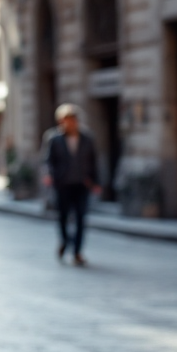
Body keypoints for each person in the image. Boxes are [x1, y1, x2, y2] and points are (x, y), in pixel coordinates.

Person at [44, 104, 101, 266]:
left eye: (70, 120)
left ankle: (77, 251)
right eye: (64, 120)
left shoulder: (87, 138)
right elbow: (48, 161)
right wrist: (49, 175)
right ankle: (65, 241)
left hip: (82, 184)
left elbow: (93, 161)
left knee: (81, 218)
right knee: (62, 216)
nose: (68, 123)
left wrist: (96, 181)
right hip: (62, 184)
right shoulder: (54, 139)